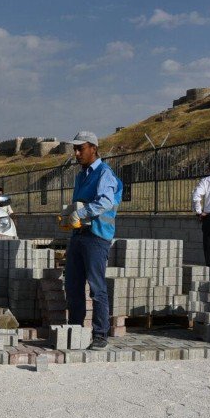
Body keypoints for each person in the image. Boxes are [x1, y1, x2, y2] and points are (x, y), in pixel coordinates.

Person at [59, 131, 123, 350]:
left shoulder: (105, 173)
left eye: (81, 148)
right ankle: (75, 330)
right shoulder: (81, 175)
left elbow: (105, 201)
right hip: (79, 236)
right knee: (73, 284)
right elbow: (80, 203)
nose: (76, 153)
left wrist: (82, 213)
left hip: (97, 236)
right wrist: (70, 214)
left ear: (93, 148)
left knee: (97, 287)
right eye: (74, 149)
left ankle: (100, 334)